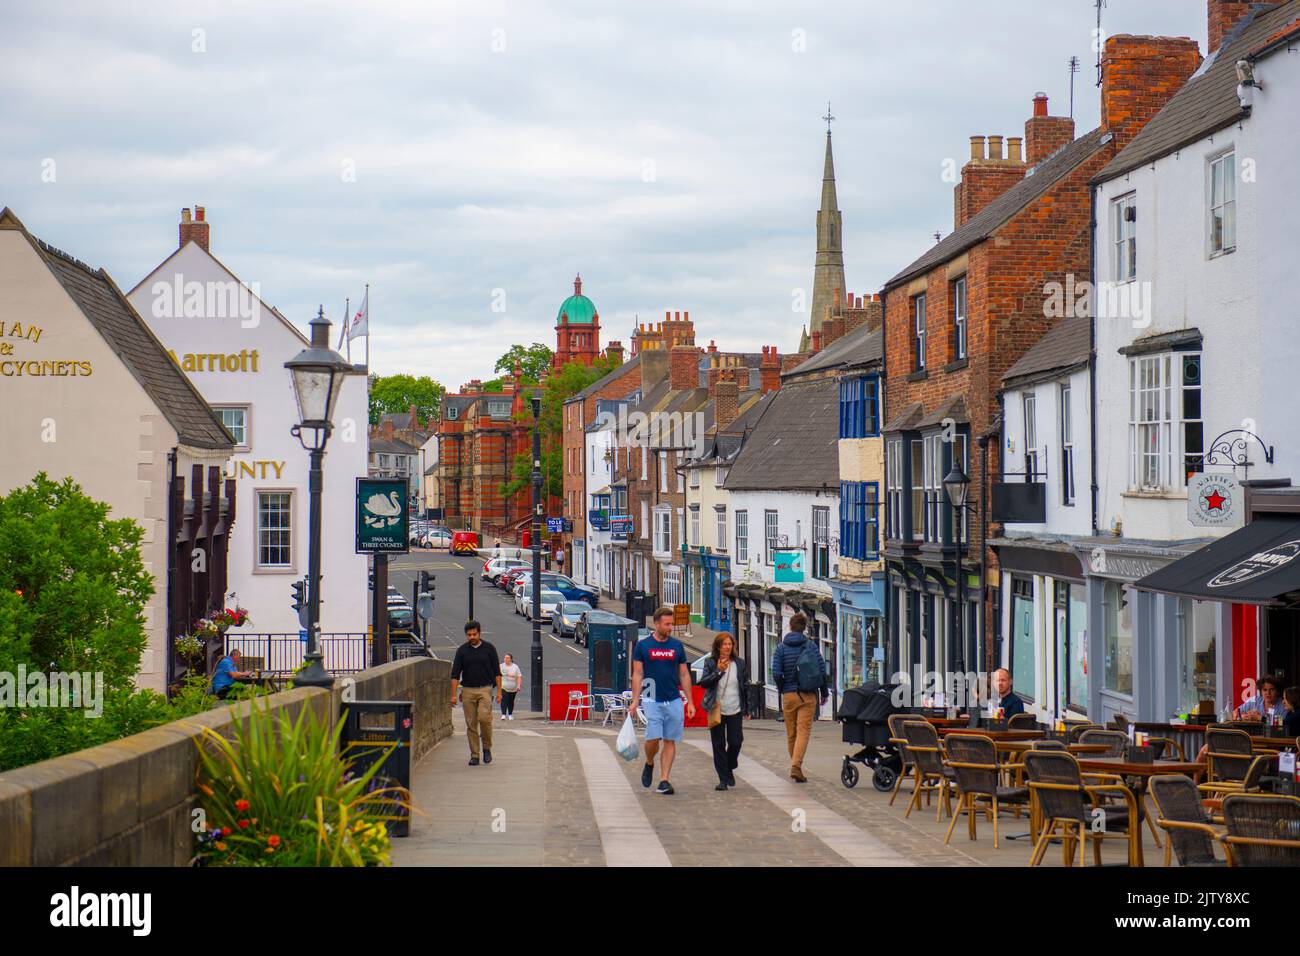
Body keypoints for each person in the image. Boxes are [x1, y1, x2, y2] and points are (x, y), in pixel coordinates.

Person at [629, 606, 696, 795]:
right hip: (651, 693)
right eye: (666, 624)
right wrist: (635, 700)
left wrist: (690, 701)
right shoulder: (643, 646)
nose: (670, 627)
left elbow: (683, 674)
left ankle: (664, 779)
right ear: (656, 624)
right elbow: (638, 673)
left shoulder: (676, 646)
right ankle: (649, 761)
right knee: (653, 737)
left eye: (671, 623)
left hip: (673, 696)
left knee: (670, 740)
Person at [770, 613, 828, 783]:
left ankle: (796, 766)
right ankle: (796, 766)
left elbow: (776, 673)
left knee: (792, 733)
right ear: (804, 628)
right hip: (808, 694)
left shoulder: (781, 648)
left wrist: (783, 690)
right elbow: (821, 670)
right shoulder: (811, 646)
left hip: (789, 694)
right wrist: (824, 693)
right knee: (803, 732)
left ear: (790, 626)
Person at [698, 632, 748, 790]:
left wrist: (748, 708)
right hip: (716, 709)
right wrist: (718, 671)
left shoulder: (739, 663)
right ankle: (723, 780)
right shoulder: (711, 662)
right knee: (718, 744)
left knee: (736, 742)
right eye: (724, 644)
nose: (727, 647)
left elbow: (744, 686)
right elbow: (704, 683)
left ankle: (729, 766)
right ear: (718, 646)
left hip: (735, 708)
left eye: (730, 644)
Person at [450, 620, 501, 766]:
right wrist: (453, 695)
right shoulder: (462, 651)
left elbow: (497, 672)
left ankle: (486, 747)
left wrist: (499, 692)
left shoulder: (489, 649)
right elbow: (455, 675)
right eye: (469, 635)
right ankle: (475, 755)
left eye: (474, 634)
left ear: (479, 633)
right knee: (471, 724)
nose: (471, 637)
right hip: (467, 690)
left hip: (485, 688)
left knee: (485, 719)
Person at [500, 653, 523, 720]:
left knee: (511, 701)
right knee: (504, 700)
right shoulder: (501, 666)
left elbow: (519, 676)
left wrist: (518, 685)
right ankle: (503, 714)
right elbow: (497, 675)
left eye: (507, 658)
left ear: (511, 659)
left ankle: (510, 714)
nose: (505, 659)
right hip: (503, 686)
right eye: (505, 658)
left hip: (513, 687)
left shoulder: (515, 667)